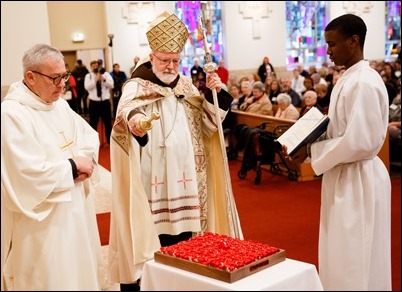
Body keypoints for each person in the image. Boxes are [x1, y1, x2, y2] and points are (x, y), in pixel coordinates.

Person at [108, 11, 243, 291]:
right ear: (151, 57)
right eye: (165, 60)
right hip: (151, 179)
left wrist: (217, 95)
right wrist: (136, 124)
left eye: (175, 61)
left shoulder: (186, 87)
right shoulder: (136, 86)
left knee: (185, 242)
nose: (170, 66)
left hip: (186, 181)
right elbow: (126, 115)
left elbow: (207, 127)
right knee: (151, 242)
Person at [284, 14, 391, 290]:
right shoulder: (350, 77)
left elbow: (360, 141)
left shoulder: (364, 82)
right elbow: (341, 131)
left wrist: (311, 149)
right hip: (344, 173)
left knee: (355, 256)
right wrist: (306, 143)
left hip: (358, 178)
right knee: (340, 252)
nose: (328, 51)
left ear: (353, 42)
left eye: (332, 44)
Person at [1, 44, 102, 290]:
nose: (62, 84)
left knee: (79, 271)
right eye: (55, 78)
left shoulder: (60, 105)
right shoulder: (11, 114)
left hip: (75, 208)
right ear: (30, 77)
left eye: (64, 76)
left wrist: (82, 162)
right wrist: (71, 167)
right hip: (43, 224)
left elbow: (87, 137)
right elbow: (24, 173)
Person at [84, 60, 114, 145]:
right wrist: (95, 80)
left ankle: (109, 142)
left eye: (96, 65)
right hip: (94, 103)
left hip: (105, 102)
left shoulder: (106, 74)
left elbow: (112, 85)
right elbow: (87, 87)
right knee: (93, 123)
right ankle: (94, 143)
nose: (95, 67)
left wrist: (103, 80)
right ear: (91, 67)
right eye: (93, 66)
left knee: (108, 123)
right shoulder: (88, 76)